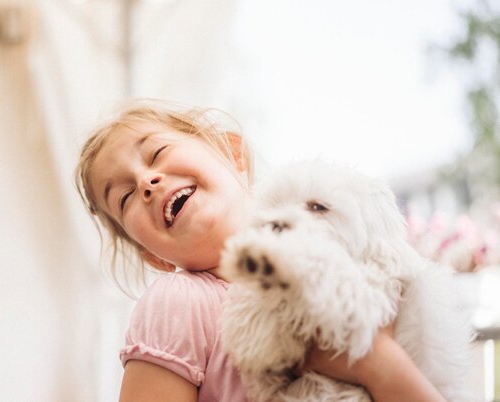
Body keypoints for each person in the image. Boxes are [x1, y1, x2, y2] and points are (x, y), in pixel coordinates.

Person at [74, 100, 447, 402]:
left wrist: (375, 362)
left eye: (157, 152)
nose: (146, 182)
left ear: (233, 153)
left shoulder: (353, 263)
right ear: (152, 256)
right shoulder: (177, 301)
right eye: (124, 198)